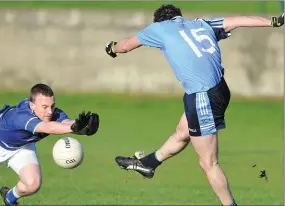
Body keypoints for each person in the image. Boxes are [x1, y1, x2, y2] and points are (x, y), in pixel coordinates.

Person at [105, 4, 284, 206]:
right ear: (179, 17)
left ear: (160, 21)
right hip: (220, 90)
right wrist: (273, 21)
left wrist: (111, 47)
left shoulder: (158, 28)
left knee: (209, 163)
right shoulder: (201, 23)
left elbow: (126, 45)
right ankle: (147, 163)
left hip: (202, 97)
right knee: (183, 132)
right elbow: (237, 20)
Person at [0, 83, 100, 206]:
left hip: (20, 147)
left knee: (33, 183)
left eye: (52, 106)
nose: (49, 111)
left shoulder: (53, 113)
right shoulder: (21, 116)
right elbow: (48, 127)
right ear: (32, 105)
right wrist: (73, 128)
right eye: (44, 107)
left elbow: (65, 123)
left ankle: (9, 197)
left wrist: (83, 129)